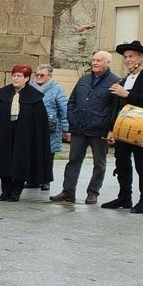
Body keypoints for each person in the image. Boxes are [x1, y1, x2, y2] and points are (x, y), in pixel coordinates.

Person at [103, 40, 143, 213]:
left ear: (141, 57)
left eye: (131, 56)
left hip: (141, 130)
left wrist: (127, 94)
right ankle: (124, 197)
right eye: (125, 57)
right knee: (121, 163)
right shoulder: (124, 80)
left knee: (142, 165)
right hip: (122, 130)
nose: (127, 60)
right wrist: (111, 129)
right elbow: (116, 107)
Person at [50, 50, 119, 205]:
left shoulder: (115, 82)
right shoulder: (84, 79)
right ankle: (68, 191)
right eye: (93, 60)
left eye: (99, 60)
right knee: (73, 160)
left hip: (99, 129)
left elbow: (115, 108)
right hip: (79, 128)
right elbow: (72, 101)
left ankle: (93, 193)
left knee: (99, 163)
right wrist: (72, 119)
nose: (95, 63)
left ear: (107, 63)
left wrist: (110, 128)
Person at [0, 64, 52, 202]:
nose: (15, 78)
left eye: (19, 76)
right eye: (14, 75)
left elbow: (39, 123)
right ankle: (5, 191)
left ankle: (16, 192)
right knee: (3, 162)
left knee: (20, 162)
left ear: (27, 78)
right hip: (4, 134)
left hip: (24, 137)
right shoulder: (2, 95)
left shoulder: (34, 98)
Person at [32, 64, 69, 191]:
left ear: (49, 76)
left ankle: (46, 180)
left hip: (51, 127)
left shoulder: (57, 89)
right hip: (33, 125)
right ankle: (33, 180)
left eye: (42, 75)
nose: (39, 77)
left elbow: (64, 109)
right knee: (33, 154)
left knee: (48, 155)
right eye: (37, 74)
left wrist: (66, 129)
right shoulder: (30, 87)